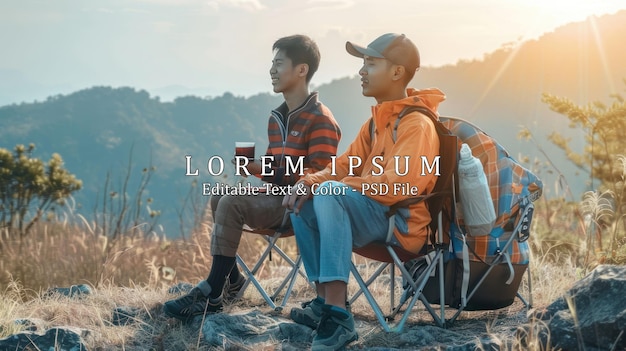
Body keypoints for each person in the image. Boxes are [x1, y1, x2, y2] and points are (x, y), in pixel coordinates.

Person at [283, 33, 445, 350]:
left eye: (370, 63)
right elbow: (344, 165)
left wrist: (333, 187)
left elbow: (403, 184)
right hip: (373, 215)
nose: (361, 71)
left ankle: (338, 317)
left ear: (397, 72)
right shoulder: (377, 122)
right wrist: (309, 181)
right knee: (304, 200)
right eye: (363, 63)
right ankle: (324, 303)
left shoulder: (416, 124)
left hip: (401, 225)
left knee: (329, 193)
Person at [163, 34, 341, 322]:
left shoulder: (320, 118)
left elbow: (321, 174)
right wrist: (256, 167)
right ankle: (232, 281)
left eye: (279, 63)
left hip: (298, 206)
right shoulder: (278, 117)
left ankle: (211, 291)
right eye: (272, 63)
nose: (272, 70)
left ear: (302, 70)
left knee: (232, 201)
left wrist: (275, 171)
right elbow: (275, 172)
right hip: (276, 196)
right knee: (219, 196)